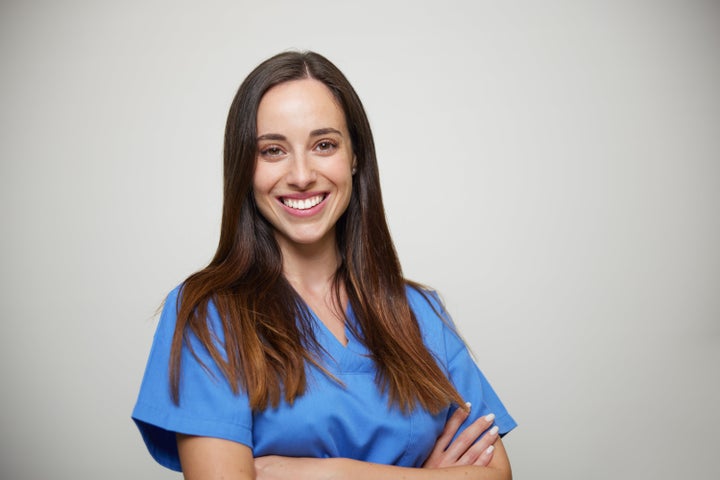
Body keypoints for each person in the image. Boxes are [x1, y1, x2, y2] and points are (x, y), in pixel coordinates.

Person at [132, 50, 516, 480]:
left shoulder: (420, 312)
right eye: (273, 150)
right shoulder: (210, 316)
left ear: (354, 157)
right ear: (244, 167)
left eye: (324, 145)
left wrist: (324, 473)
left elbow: (496, 473)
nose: (301, 174)